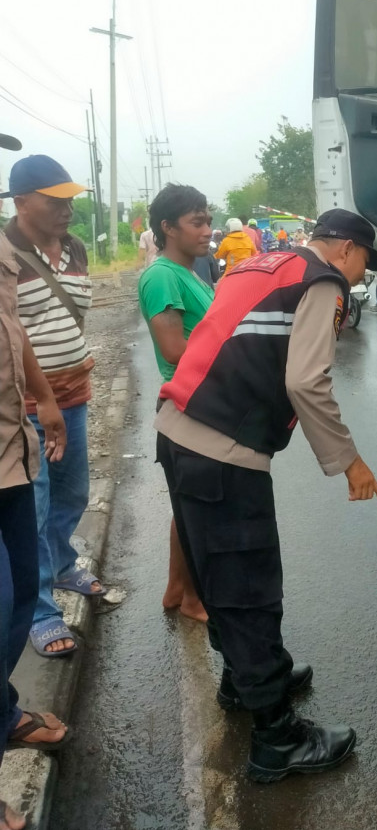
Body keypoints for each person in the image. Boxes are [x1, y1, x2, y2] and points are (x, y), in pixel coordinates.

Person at [153, 208, 377, 782]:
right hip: (223, 451)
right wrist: (350, 462)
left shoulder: (258, 262)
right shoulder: (321, 281)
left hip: (178, 430)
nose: (359, 278)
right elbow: (306, 380)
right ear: (346, 251)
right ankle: (277, 738)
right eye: (362, 264)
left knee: (218, 574)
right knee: (250, 586)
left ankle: (246, 679)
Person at [2, 155, 105, 658]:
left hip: (74, 397)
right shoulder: (5, 251)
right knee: (35, 505)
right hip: (27, 406)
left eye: (70, 200)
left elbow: (66, 319)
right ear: (21, 202)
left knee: (73, 490)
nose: (66, 210)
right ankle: (41, 609)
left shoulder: (76, 248)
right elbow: (13, 331)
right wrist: (41, 398)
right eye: (54, 200)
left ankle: (63, 564)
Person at [0, 135, 71, 830]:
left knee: (21, 594)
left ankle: (3, 713)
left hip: (10, 454)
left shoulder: (2, 257)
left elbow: (13, 332)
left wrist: (45, 400)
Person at [138, 184, 214, 622]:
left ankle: (175, 591)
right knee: (197, 510)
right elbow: (173, 348)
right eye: (197, 221)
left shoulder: (191, 271)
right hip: (188, 405)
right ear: (167, 228)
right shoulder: (163, 274)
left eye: (207, 220)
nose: (207, 230)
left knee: (187, 506)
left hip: (198, 403)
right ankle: (191, 600)